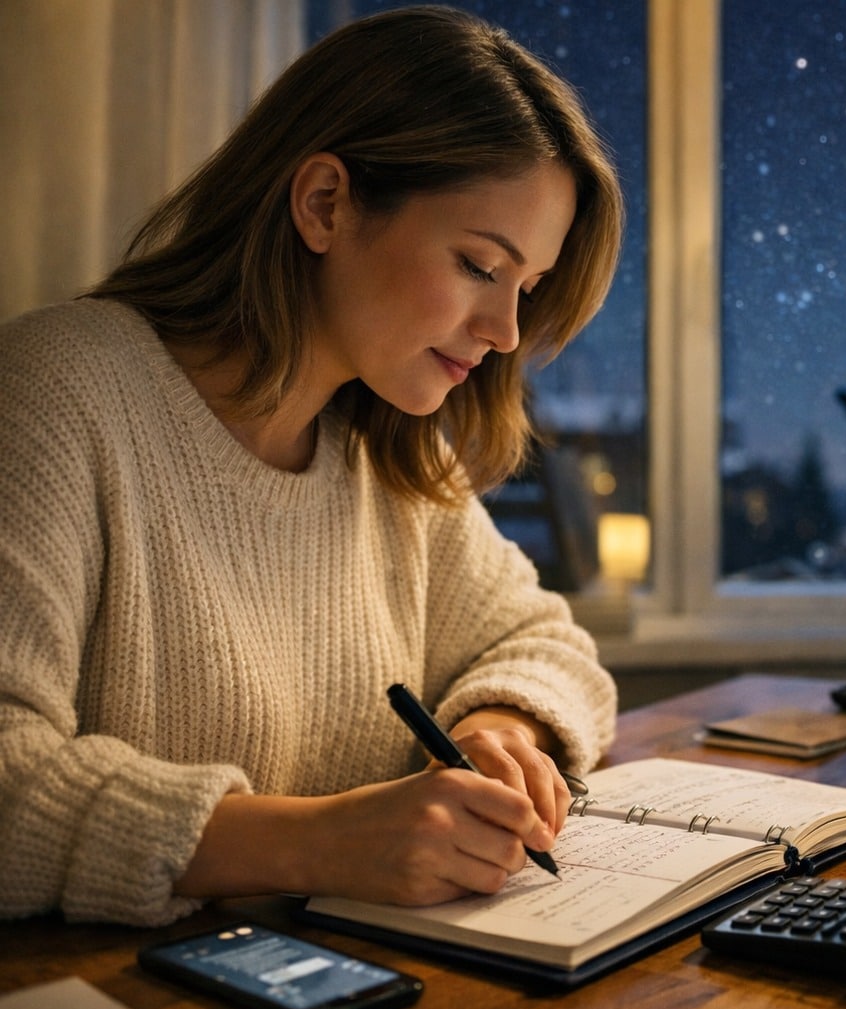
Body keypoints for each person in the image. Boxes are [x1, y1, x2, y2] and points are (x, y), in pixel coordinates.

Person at [0, 6, 624, 927]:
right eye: (478, 266)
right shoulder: (57, 391)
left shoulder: (383, 453)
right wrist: (316, 841)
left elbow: (547, 645)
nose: (505, 335)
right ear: (325, 203)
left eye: (527, 290)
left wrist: (499, 729)